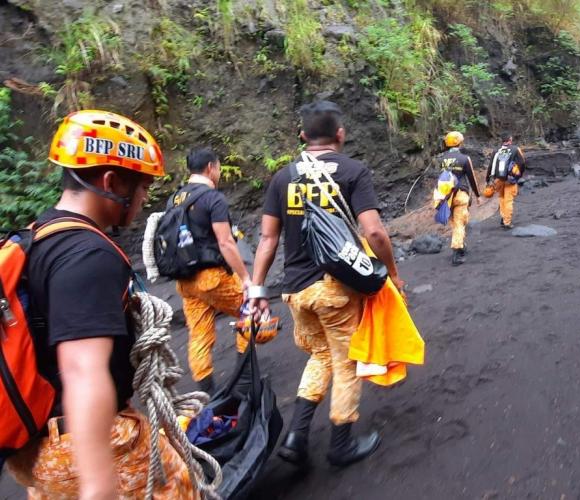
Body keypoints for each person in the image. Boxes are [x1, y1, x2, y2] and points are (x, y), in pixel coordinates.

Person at [5, 110, 193, 498]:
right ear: (111, 182)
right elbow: (80, 368)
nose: (142, 200)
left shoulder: (40, 236)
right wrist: (98, 483)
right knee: (178, 483)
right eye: (141, 188)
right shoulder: (88, 254)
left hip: (39, 448)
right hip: (79, 440)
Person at [250, 100, 404, 467]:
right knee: (347, 361)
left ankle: (296, 436)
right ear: (340, 134)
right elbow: (374, 232)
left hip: (295, 290)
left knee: (322, 355)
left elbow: (268, 239)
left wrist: (257, 290)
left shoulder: (283, 176)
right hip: (335, 289)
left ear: (303, 136)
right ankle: (340, 442)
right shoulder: (353, 171)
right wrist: (393, 274)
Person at [170, 147, 252, 394]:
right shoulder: (212, 197)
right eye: (218, 168)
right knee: (250, 314)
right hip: (213, 277)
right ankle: (244, 382)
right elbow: (226, 242)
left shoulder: (174, 198)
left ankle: (208, 396)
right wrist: (246, 278)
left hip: (185, 280)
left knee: (199, 336)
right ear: (210, 168)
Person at [440, 131, 481, 266]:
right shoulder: (464, 158)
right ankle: (457, 252)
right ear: (459, 142)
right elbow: (472, 178)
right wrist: (477, 195)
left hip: (446, 195)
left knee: (455, 222)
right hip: (460, 193)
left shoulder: (443, 159)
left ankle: (461, 245)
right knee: (460, 222)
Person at [486, 132, 526, 229]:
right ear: (510, 139)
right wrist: (518, 175)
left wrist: (488, 180)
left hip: (498, 179)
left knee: (502, 198)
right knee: (508, 200)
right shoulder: (515, 149)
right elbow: (522, 163)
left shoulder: (496, 151)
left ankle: (503, 218)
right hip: (510, 179)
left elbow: (491, 166)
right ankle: (507, 222)